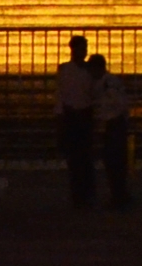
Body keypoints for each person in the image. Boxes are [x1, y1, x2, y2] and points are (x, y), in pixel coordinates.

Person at [53, 35, 98, 209]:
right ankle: (80, 195)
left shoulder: (81, 70)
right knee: (77, 158)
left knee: (84, 157)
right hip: (74, 115)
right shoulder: (68, 70)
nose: (84, 52)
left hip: (82, 115)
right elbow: (61, 95)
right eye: (82, 48)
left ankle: (84, 194)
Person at [91, 50, 134, 209]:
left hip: (113, 124)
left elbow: (114, 105)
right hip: (115, 124)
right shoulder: (110, 82)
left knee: (113, 161)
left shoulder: (106, 84)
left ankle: (118, 195)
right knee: (115, 161)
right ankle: (119, 194)